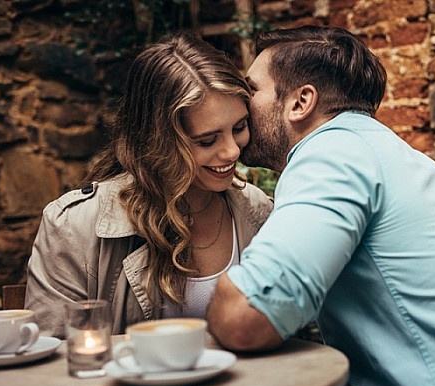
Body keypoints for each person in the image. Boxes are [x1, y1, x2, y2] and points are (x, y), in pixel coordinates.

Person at [206, 26, 435, 386]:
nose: (244, 103)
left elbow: (246, 319)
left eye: (252, 89)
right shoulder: (377, 148)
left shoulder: (333, 154)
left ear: (301, 103)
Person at [25, 31, 273, 339]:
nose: (232, 151)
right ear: (158, 141)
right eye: (207, 140)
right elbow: (54, 364)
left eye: (239, 128)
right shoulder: (73, 227)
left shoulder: (257, 211)